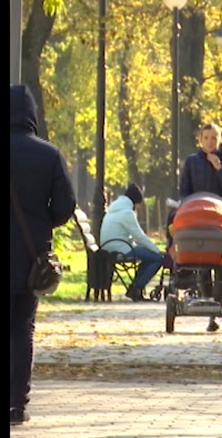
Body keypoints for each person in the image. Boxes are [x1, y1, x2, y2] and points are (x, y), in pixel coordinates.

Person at [10, 84, 77, 426]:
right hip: (29, 257)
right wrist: (42, 224)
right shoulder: (49, 155)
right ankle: (16, 404)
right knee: (22, 328)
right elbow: (66, 205)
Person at [179, 122, 222, 332]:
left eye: (214, 138)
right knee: (202, 261)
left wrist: (219, 169)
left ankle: (219, 302)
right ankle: (208, 308)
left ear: (220, 139)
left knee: (220, 263)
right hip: (198, 216)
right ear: (200, 140)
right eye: (206, 138)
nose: (210, 142)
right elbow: (184, 191)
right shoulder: (192, 162)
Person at [100, 183, 164, 302]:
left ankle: (135, 287)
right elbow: (139, 236)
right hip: (121, 248)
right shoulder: (127, 213)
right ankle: (136, 288)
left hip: (110, 246)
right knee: (157, 259)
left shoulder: (113, 209)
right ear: (136, 202)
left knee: (147, 257)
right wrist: (157, 250)